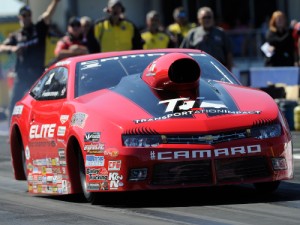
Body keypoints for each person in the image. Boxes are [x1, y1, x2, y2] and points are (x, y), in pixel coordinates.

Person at [0, 0, 60, 126]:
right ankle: (13, 130)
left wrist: (55, 2)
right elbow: (1, 48)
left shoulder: (38, 29)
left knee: (42, 102)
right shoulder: (16, 36)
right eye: (23, 16)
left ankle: (44, 126)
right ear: (19, 17)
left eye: (28, 15)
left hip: (37, 75)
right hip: (21, 76)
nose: (26, 18)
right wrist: (12, 49)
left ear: (30, 16)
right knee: (14, 103)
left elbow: (48, 14)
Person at [180, 6, 233, 71]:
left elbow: (228, 53)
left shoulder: (221, 33)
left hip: (218, 70)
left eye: (209, 17)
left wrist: (229, 71)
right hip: (198, 70)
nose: (207, 20)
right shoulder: (192, 34)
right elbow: (183, 53)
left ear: (213, 18)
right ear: (199, 19)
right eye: (204, 17)